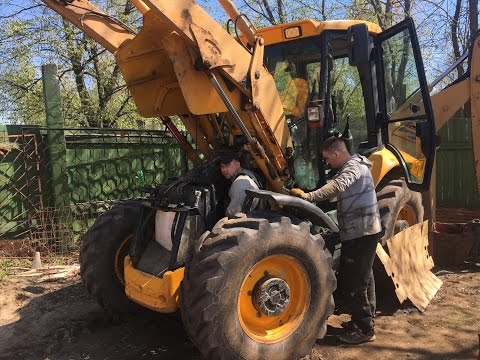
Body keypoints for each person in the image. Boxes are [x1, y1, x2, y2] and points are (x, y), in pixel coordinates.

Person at [290, 136, 381, 345]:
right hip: (361, 231)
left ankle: (366, 330)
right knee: (365, 279)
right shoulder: (354, 166)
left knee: (355, 282)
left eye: (327, 158)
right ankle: (363, 321)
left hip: (362, 232)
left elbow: (338, 185)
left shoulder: (354, 167)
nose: (328, 163)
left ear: (337, 154)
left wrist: (308, 197)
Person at [219, 151, 260, 217]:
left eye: (227, 165)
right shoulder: (246, 174)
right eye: (222, 166)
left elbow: (232, 213)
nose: (224, 170)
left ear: (237, 164)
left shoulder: (240, 183)